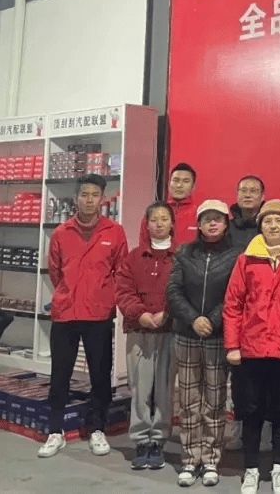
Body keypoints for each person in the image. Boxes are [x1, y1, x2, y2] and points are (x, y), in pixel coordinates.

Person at [224, 200, 280, 494]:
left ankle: (279, 468)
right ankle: (251, 469)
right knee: (251, 410)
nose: (273, 225)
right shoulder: (246, 260)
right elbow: (233, 304)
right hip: (251, 349)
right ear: (260, 226)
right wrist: (232, 345)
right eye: (267, 221)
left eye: (278, 220)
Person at [39, 174, 128, 459]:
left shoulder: (115, 232)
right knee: (60, 375)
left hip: (99, 314)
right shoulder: (61, 232)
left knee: (100, 375)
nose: (89, 200)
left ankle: (98, 428)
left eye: (94, 195)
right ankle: (55, 431)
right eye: (84, 194)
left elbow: (121, 271)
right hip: (65, 313)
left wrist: (105, 298)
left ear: (102, 199)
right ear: (76, 198)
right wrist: (69, 293)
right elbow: (55, 271)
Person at [167, 199, 243, 487]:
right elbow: (173, 290)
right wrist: (193, 319)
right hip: (187, 335)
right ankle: (190, 458)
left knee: (214, 401)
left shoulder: (236, 255)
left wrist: (210, 320)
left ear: (226, 224)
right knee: (188, 401)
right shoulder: (184, 253)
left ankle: (211, 459)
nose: (213, 223)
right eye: (207, 218)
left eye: (218, 219)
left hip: (217, 336)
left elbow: (234, 294)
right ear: (198, 224)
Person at [116, 201, 176, 472]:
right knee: (140, 389)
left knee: (164, 389)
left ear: (172, 223)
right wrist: (139, 314)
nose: (159, 223)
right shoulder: (133, 257)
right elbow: (123, 290)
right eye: (154, 219)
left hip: (169, 331)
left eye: (164, 218)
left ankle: (158, 441)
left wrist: (167, 314)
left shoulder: (181, 257)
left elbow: (182, 291)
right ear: (147, 224)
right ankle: (141, 440)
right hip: (139, 331)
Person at [230, 175, 266, 247]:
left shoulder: (269, 226)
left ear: (262, 196)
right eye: (243, 191)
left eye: (253, 191)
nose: (247, 195)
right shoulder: (227, 227)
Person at [169, 162, 200, 245]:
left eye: (186, 181)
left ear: (193, 186)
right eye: (176, 180)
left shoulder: (200, 215)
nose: (179, 185)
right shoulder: (156, 212)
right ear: (169, 183)